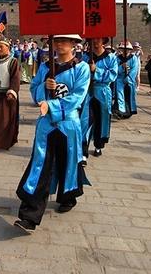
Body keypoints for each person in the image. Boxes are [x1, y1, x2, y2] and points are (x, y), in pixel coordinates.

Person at [14, 34, 90, 233]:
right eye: (56, 40)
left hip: (69, 123)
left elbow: (78, 96)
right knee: (41, 165)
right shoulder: (46, 67)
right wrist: (43, 88)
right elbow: (33, 89)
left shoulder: (81, 68)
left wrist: (53, 105)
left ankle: (68, 195)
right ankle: (29, 215)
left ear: (74, 44)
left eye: (64, 40)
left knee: (68, 161)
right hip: (46, 123)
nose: (59, 44)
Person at [81, 37, 118, 159]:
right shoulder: (85, 57)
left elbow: (112, 75)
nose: (95, 41)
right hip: (87, 92)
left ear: (103, 41)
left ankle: (98, 145)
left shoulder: (110, 57)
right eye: (92, 39)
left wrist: (96, 70)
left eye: (98, 39)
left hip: (102, 91)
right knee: (85, 120)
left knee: (102, 119)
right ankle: (83, 151)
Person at [113, 42, 139, 119]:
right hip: (120, 79)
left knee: (129, 96)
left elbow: (135, 69)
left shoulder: (133, 58)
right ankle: (120, 110)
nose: (125, 51)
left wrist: (129, 78)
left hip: (129, 80)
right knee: (119, 95)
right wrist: (121, 67)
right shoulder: (117, 58)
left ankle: (128, 111)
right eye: (124, 49)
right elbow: (115, 69)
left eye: (127, 49)